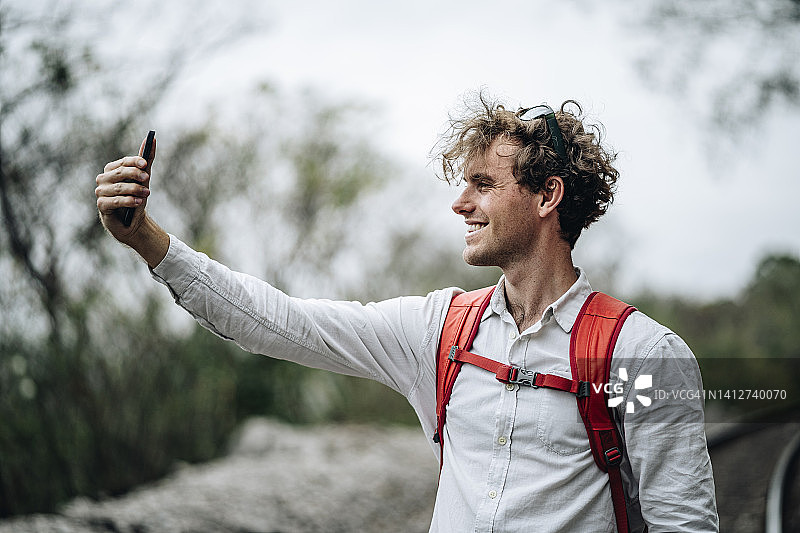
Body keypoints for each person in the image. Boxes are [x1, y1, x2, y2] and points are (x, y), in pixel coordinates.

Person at [95, 95, 719, 532]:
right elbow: (280, 323)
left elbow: (682, 523)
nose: (459, 202)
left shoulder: (645, 354)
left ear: (547, 196)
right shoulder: (441, 332)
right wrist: (150, 241)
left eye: (481, 183)